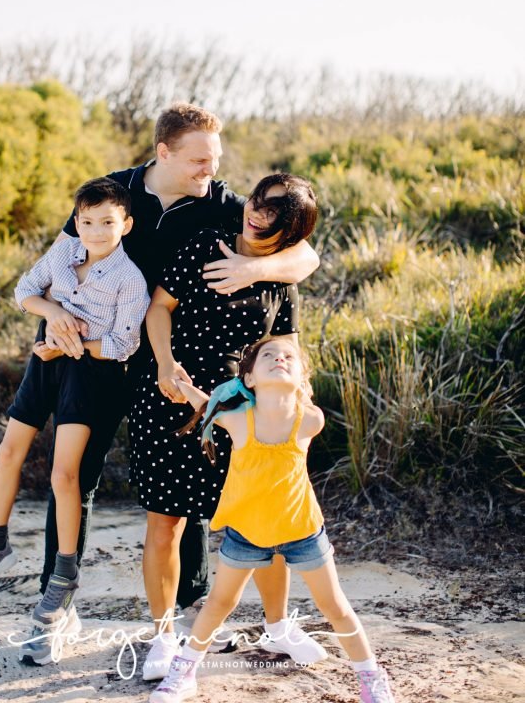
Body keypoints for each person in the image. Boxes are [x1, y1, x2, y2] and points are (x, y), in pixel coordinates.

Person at [28, 103, 319, 663]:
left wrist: (256, 270)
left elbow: (303, 249)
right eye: (199, 160)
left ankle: (193, 605)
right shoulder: (112, 193)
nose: (210, 172)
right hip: (98, 358)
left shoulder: (220, 204)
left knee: (193, 501)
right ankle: (57, 607)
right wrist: (50, 317)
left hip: (188, 377)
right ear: (163, 152)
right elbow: (63, 261)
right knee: (75, 479)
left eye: (216, 160)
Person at [133, 172, 319, 680]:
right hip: (172, 396)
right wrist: (166, 365)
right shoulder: (205, 244)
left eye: (276, 211)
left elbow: (287, 349)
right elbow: (159, 307)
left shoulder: (282, 279)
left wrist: (293, 404)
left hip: (240, 417)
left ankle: (278, 628)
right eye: (259, 200)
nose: (259, 212)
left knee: (262, 525)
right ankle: (163, 636)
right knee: (165, 523)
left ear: (292, 227)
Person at [0, 177, 149, 630]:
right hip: (44, 363)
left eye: (106, 222)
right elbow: (25, 291)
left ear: (126, 224)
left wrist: (68, 343)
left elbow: (123, 344)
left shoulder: (129, 278)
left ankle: (64, 573)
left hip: (90, 376)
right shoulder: (63, 254)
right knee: (9, 452)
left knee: (65, 475)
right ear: (76, 222)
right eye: (86, 221)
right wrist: (54, 313)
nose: (95, 231)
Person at [150, 336, 397, 703]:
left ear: (301, 379)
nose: (279, 358)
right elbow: (206, 405)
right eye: (268, 356)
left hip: (302, 533)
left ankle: (371, 678)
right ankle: (184, 671)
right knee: (219, 603)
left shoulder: (308, 420)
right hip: (246, 534)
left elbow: (297, 399)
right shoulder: (239, 421)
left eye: (288, 357)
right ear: (248, 379)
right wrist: (181, 385)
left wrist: (300, 388)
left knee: (336, 607)